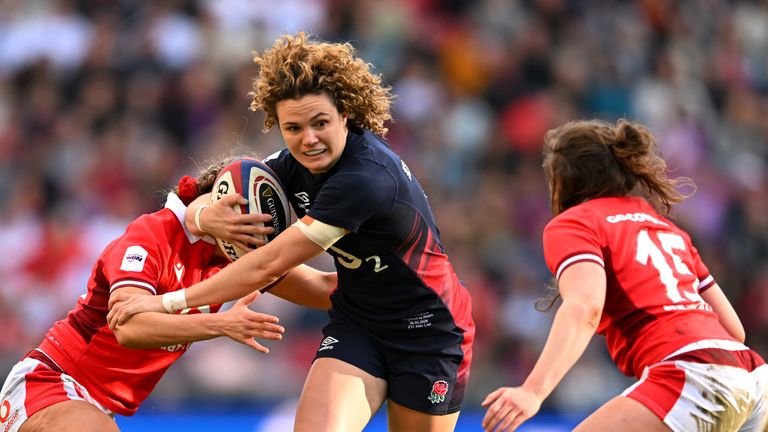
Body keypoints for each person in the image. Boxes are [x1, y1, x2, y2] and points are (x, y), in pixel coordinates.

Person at [108, 32, 475, 432]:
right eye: (293, 127)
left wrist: (167, 303)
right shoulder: (285, 165)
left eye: (320, 123)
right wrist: (205, 216)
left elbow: (269, 263)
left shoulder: (365, 178)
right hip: (360, 324)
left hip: (430, 331)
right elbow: (192, 198)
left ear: (346, 115)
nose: (308, 139)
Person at [0, 157, 336, 432]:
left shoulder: (237, 257)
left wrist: (379, 262)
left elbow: (324, 290)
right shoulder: (151, 236)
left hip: (97, 407)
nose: (258, 242)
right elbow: (130, 328)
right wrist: (222, 324)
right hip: (53, 382)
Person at [481, 118, 768, 431]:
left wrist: (533, 391)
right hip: (751, 378)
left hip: (693, 373)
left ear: (563, 179)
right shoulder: (666, 227)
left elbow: (585, 308)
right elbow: (734, 330)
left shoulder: (577, 222)